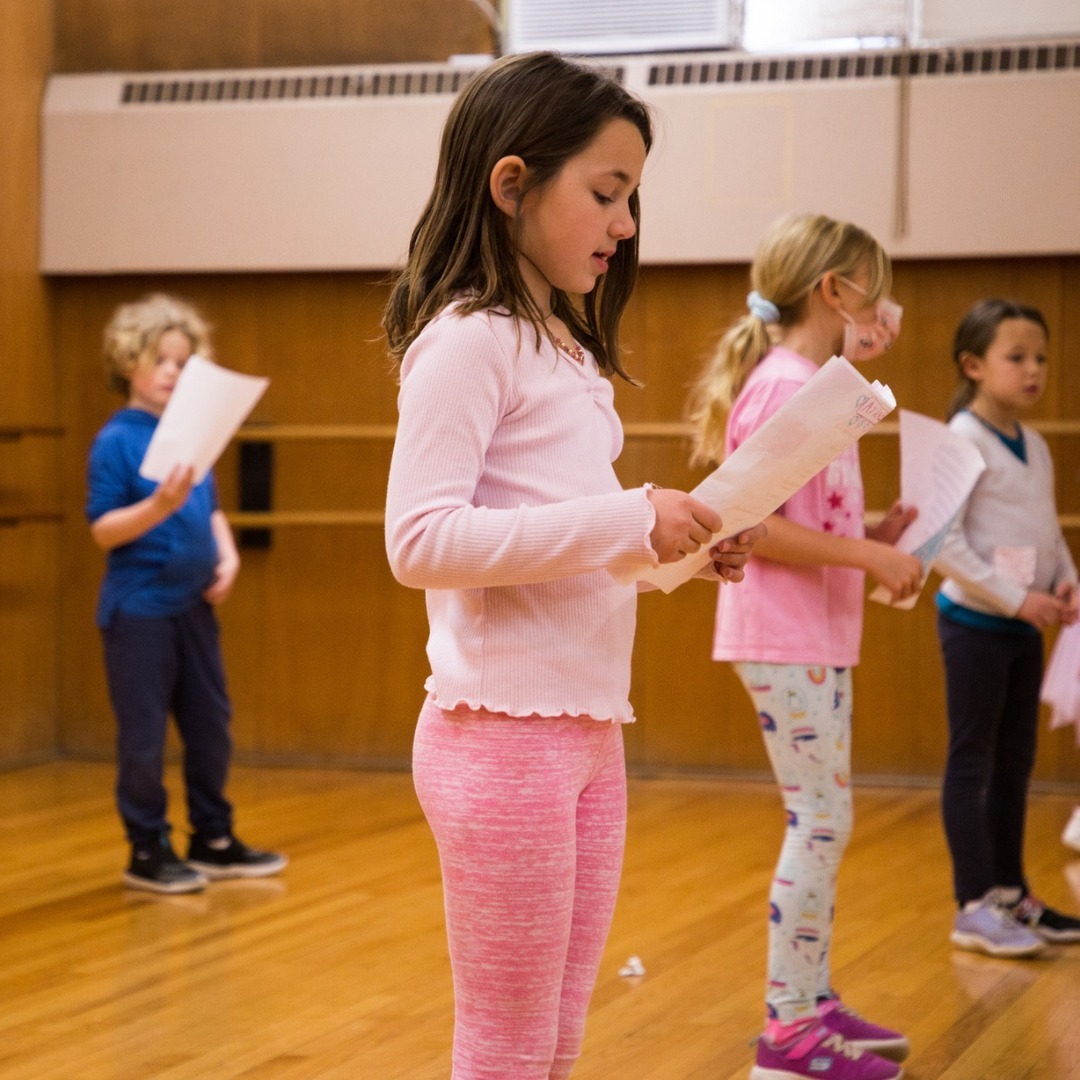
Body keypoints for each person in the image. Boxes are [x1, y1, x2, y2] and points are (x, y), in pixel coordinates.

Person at [382, 51, 762, 1080]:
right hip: (499, 739)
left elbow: (562, 547)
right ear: (512, 184)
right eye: (607, 193)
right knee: (507, 1046)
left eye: (632, 196)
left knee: (557, 1038)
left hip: (588, 731)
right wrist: (627, 516)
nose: (626, 224)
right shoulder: (467, 339)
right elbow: (418, 544)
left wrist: (665, 548)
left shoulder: (560, 346)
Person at [687, 212, 923, 1080]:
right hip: (787, 638)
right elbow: (752, 525)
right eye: (875, 285)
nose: (885, 308)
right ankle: (787, 1033)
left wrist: (871, 525)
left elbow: (800, 515)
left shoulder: (810, 381)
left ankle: (814, 1002)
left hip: (815, 635)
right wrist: (870, 554)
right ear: (836, 291)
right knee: (819, 821)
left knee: (827, 819)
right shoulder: (787, 386)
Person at [87, 293, 287, 895]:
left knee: (210, 727)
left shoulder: (191, 434)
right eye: (162, 360)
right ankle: (147, 848)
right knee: (145, 737)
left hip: (193, 608)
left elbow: (213, 507)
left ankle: (213, 839)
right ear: (129, 364)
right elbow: (103, 529)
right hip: (139, 612)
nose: (174, 371)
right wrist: (157, 506)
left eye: (182, 361)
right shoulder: (116, 441)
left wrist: (224, 555)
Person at [934, 299, 1080, 956]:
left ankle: (1010, 892)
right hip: (976, 625)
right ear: (973, 365)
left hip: (1024, 625)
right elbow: (941, 543)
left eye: (1041, 358)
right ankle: (972, 905)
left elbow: (1045, 530)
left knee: (1015, 762)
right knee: (973, 761)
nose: (1033, 370)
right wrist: (1016, 599)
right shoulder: (961, 438)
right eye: (1016, 357)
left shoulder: (1038, 443)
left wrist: (1064, 576)